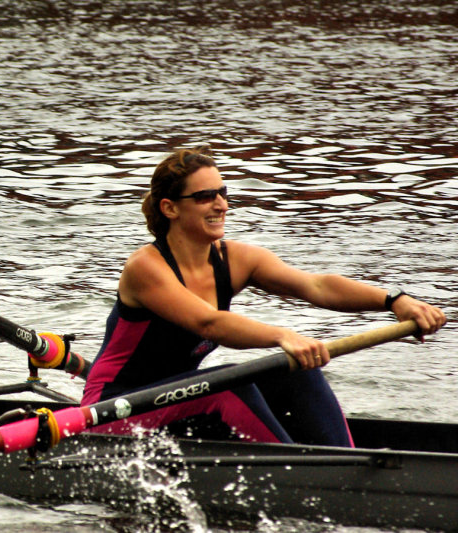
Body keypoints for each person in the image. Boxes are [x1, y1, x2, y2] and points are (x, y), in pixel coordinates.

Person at [81, 145, 446, 446]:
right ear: (170, 208)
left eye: (223, 193)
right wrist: (281, 335)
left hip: (180, 403)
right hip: (114, 410)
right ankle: (306, 478)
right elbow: (208, 322)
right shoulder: (146, 267)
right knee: (224, 386)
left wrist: (393, 299)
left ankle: (344, 464)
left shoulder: (237, 259)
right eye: (205, 196)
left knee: (298, 371)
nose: (221, 204)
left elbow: (315, 285)